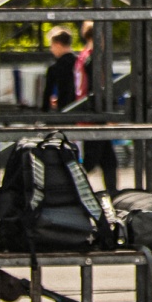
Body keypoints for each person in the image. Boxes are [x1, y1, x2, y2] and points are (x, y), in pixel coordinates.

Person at [41, 27, 118, 195]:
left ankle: (78, 191)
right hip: (92, 114)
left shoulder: (82, 59)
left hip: (85, 114)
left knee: (104, 159)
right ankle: (74, 191)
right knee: (98, 159)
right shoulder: (85, 59)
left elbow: (77, 89)